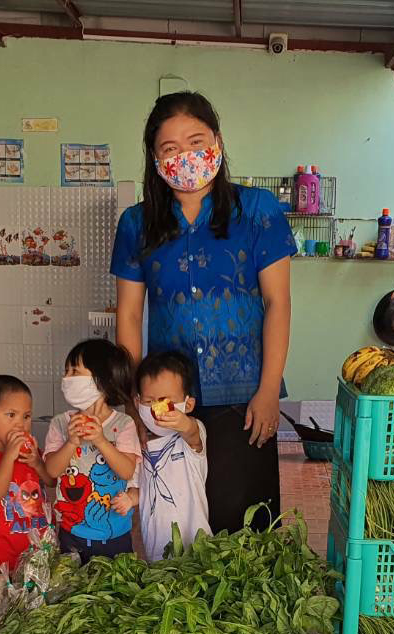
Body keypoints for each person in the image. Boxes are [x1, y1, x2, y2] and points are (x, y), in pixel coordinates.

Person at [112, 91, 295, 535]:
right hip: (166, 399)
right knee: (177, 522)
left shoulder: (257, 211)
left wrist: (269, 389)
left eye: (196, 142)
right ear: (154, 158)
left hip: (244, 395)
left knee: (242, 519)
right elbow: (130, 318)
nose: (185, 157)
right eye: (170, 149)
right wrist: (136, 408)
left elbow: (278, 303)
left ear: (217, 141)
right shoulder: (136, 224)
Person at [42, 339, 140, 561]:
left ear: (102, 381)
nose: (66, 378)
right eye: (66, 371)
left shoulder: (123, 424)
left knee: (113, 589)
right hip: (71, 532)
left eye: (75, 371)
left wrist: (102, 440)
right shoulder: (60, 423)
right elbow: (52, 471)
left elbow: (126, 471)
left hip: (114, 533)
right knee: (74, 589)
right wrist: (71, 442)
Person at [127, 351, 210, 561]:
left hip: (197, 548)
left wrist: (183, 422)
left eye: (166, 401)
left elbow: (192, 434)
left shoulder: (190, 435)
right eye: (149, 401)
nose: (157, 408)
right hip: (156, 549)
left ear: (188, 405)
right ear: (137, 404)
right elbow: (140, 489)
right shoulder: (139, 445)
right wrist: (129, 499)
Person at [0, 374, 49, 573]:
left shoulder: (32, 453)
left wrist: (37, 463)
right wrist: (8, 456)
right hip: (4, 554)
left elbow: (51, 480)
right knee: (6, 600)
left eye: (26, 416)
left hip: (39, 547)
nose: (20, 424)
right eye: (11, 415)